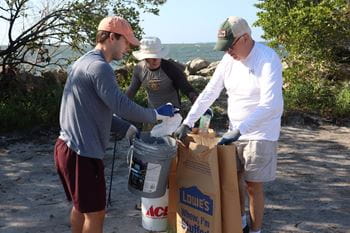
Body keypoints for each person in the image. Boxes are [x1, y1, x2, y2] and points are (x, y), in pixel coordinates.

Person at [54, 16, 176, 233]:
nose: (128, 48)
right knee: (96, 213)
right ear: (112, 37)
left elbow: (95, 110)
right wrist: (155, 114)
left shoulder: (83, 62)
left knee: (81, 207)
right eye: (126, 42)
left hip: (68, 148)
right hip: (82, 153)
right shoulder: (100, 67)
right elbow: (121, 105)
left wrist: (126, 128)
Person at [175, 16, 283, 233]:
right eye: (224, 48)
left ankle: (256, 229)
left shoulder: (267, 59)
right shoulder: (228, 60)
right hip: (236, 130)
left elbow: (270, 104)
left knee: (253, 186)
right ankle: (239, 223)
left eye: (230, 46)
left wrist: (240, 130)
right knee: (233, 182)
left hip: (261, 132)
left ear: (245, 38)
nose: (228, 52)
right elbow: (210, 92)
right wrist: (187, 122)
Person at [126, 36, 198, 109]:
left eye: (158, 55)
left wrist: (194, 99)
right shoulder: (139, 69)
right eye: (152, 57)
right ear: (145, 58)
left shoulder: (171, 68)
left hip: (173, 114)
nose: (156, 59)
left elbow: (186, 88)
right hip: (152, 115)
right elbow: (131, 91)